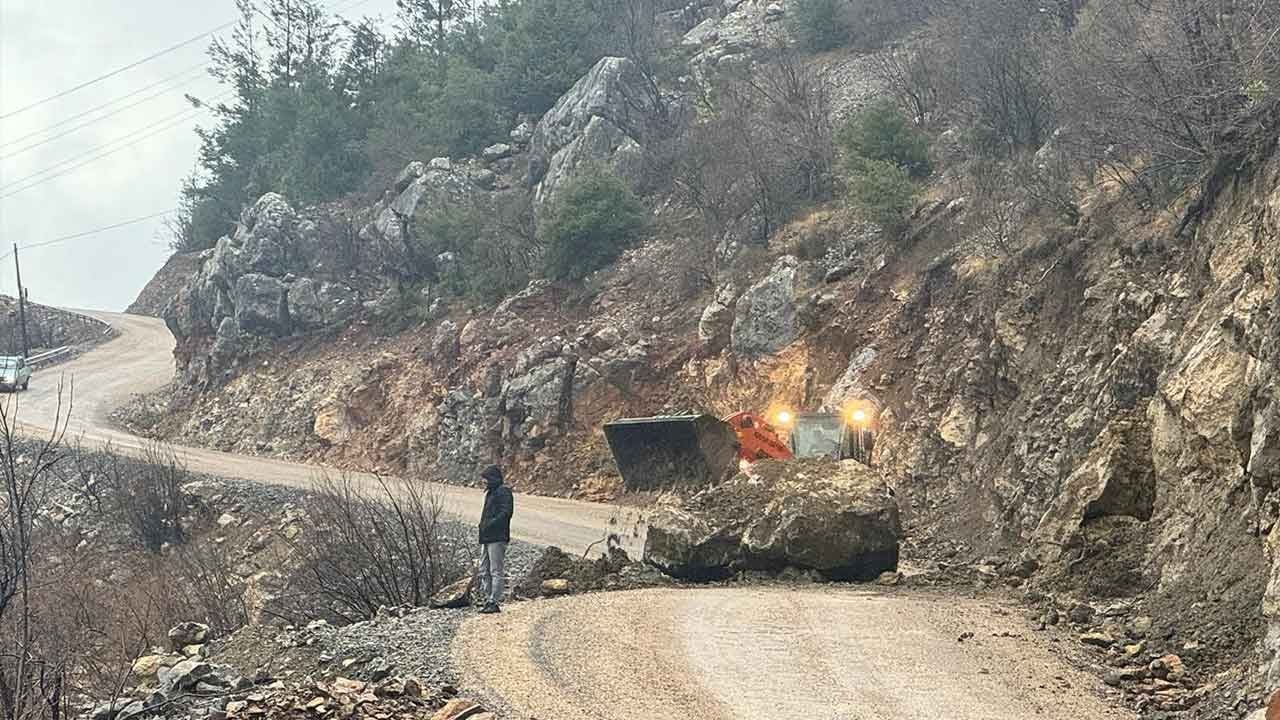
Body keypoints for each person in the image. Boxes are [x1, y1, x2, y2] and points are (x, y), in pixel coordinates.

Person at [477, 464, 514, 614]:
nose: (483, 483)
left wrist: (490, 525)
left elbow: (506, 513)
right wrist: (483, 527)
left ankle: (494, 601)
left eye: (485, 479)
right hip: (486, 537)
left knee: (495, 570)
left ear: (492, 479)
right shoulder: (490, 493)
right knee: (483, 569)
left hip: (497, 537)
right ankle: (488, 599)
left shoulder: (503, 492)